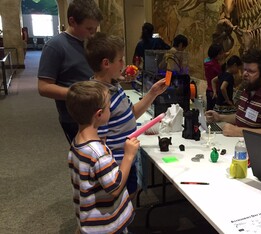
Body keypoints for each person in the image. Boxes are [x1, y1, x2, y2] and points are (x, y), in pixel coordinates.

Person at [85, 32, 168, 197]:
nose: (124, 64)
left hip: (126, 159)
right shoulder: (100, 98)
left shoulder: (114, 87)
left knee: (130, 195)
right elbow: (98, 145)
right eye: (120, 60)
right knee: (120, 204)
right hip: (115, 166)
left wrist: (152, 94)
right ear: (106, 63)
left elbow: (131, 114)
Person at [66, 80, 139, 233]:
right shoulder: (98, 153)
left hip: (89, 221)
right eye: (108, 107)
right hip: (106, 226)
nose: (110, 110)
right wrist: (128, 155)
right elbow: (115, 187)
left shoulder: (77, 142)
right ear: (99, 114)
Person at [37, 0, 103, 144]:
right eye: (89, 29)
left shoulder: (89, 43)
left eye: (95, 29)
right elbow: (44, 87)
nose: (93, 34)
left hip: (98, 113)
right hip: (75, 118)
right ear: (72, 21)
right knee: (87, 159)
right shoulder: (55, 46)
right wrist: (80, 94)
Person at [205, 48, 261, 137]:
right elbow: (241, 117)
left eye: (251, 71)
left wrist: (238, 131)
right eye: (245, 70)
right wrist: (220, 117)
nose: (245, 74)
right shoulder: (247, 91)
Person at [204, 43, 225, 111]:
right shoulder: (214, 65)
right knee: (212, 112)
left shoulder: (208, 61)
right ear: (216, 54)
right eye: (221, 53)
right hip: (213, 91)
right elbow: (220, 75)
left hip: (209, 90)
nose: (223, 55)